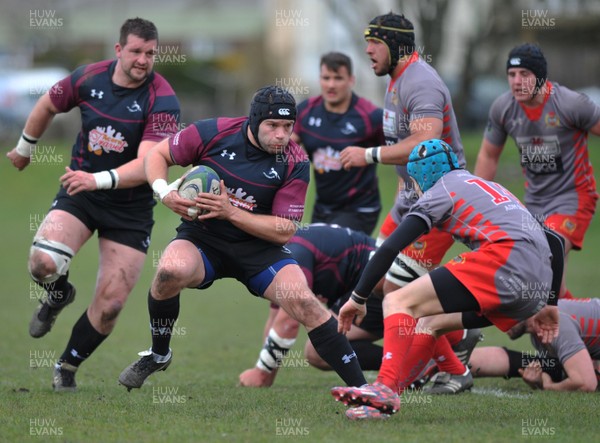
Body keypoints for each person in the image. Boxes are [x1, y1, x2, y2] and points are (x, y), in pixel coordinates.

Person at [118, 86, 367, 391]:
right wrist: (164, 191)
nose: (281, 135)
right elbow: (158, 153)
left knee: (306, 302)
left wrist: (230, 212)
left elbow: (286, 229)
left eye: (288, 127)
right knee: (170, 271)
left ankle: (365, 392)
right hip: (204, 238)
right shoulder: (213, 132)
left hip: (260, 249)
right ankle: (158, 354)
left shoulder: (295, 160)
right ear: (254, 121)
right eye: (273, 126)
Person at [6, 18, 180, 391]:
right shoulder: (87, 77)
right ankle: (58, 294)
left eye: (150, 53)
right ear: (118, 50)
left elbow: (150, 162)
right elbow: (47, 104)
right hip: (80, 195)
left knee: (111, 305)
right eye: (135, 51)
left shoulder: (162, 98)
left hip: (129, 210)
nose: (143, 60)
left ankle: (67, 366)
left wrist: (97, 179)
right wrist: (25, 149)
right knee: (42, 263)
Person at [330, 139, 561, 420]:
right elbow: (555, 241)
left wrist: (358, 298)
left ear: (421, 176)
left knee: (398, 299)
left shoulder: (440, 190)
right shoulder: (488, 186)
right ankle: (386, 401)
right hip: (535, 288)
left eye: (412, 182)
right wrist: (550, 304)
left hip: (504, 262)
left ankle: (384, 388)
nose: (412, 189)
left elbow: (390, 247)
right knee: (429, 323)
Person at [338, 11, 472, 393]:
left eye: (375, 43)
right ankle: (459, 339)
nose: (367, 50)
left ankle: (450, 369)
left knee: (399, 291)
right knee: (377, 280)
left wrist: (368, 155)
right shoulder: (396, 78)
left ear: (396, 45)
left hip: (438, 205)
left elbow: (424, 144)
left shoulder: (421, 83)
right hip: (409, 202)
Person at [238, 223, 481, 389]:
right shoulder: (279, 250)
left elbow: (289, 322)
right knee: (321, 346)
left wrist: (262, 372)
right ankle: (441, 346)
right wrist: (265, 369)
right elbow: (276, 316)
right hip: (363, 288)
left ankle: (433, 350)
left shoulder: (290, 252)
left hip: (378, 285)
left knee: (317, 349)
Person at [474, 43, 600, 300]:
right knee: (545, 285)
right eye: (511, 75)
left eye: (525, 74)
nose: (517, 82)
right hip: (534, 205)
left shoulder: (570, 104)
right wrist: (476, 205)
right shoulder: (503, 108)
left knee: (544, 256)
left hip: (573, 199)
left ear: (540, 76)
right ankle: (581, 326)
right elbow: (488, 155)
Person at [292, 52, 385, 235]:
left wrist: (404, 199)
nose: (331, 85)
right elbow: (285, 148)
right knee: (310, 255)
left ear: (351, 80)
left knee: (329, 251)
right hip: (322, 207)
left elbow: (401, 155)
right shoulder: (305, 111)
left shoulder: (370, 116)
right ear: (320, 79)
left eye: (338, 78)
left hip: (359, 209)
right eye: (326, 78)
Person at [469, 298, 600, 392]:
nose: (499, 324)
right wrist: (538, 381)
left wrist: (549, 387)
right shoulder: (538, 333)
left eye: (503, 316)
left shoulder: (554, 326)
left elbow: (587, 384)